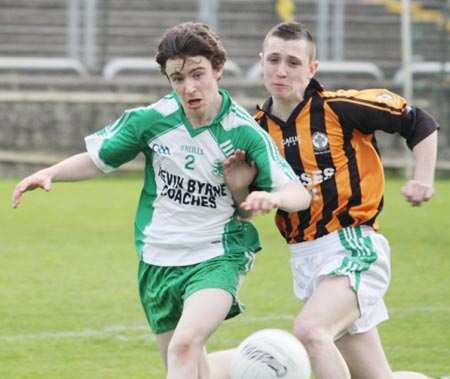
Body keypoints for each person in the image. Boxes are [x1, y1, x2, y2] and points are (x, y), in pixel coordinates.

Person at [11, 22, 311, 379]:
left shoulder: (242, 131)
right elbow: (99, 158)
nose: (189, 88)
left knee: (183, 346)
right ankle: (251, 360)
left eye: (198, 74)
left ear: (217, 69)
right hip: (157, 258)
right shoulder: (153, 120)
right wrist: (51, 173)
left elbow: (300, 194)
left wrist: (271, 195)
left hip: (217, 255)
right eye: (178, 79)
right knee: (189, 367)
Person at [213, 21, 444, 379]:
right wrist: (240, 188)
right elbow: (245, 214)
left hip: (351, 244)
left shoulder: (340, 108)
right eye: (274, 59)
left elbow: (419, 121)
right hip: (305, 260)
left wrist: (422, 178)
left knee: (310, 333)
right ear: (261, 62)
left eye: (293, 62)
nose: (281, 70)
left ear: (312, 69)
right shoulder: (255, 131)